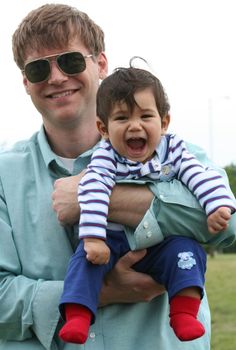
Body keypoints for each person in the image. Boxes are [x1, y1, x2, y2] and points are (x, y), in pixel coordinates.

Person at [0, 3, 235, 350]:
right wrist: (101, 293)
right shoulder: (5, 175)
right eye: (37, 69)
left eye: (70, 61)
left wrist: (107, 200)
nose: (56, 77)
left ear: (101, 65)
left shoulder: (175, 153)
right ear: (25, 82)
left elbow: (229, 227)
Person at [58, 66, 236, 344]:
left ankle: (184, 312)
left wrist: (216, 206)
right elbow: (93, 190)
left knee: (187, 253)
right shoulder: (105, 156)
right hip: (112, 236)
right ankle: (78, 315)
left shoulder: (174, 149)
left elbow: (196, 176)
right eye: (121, 118)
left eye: (146, 116)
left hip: (161, 242)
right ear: (103, 128)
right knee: (85, 260)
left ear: (164, 122)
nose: (135, 126)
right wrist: (93, 237)